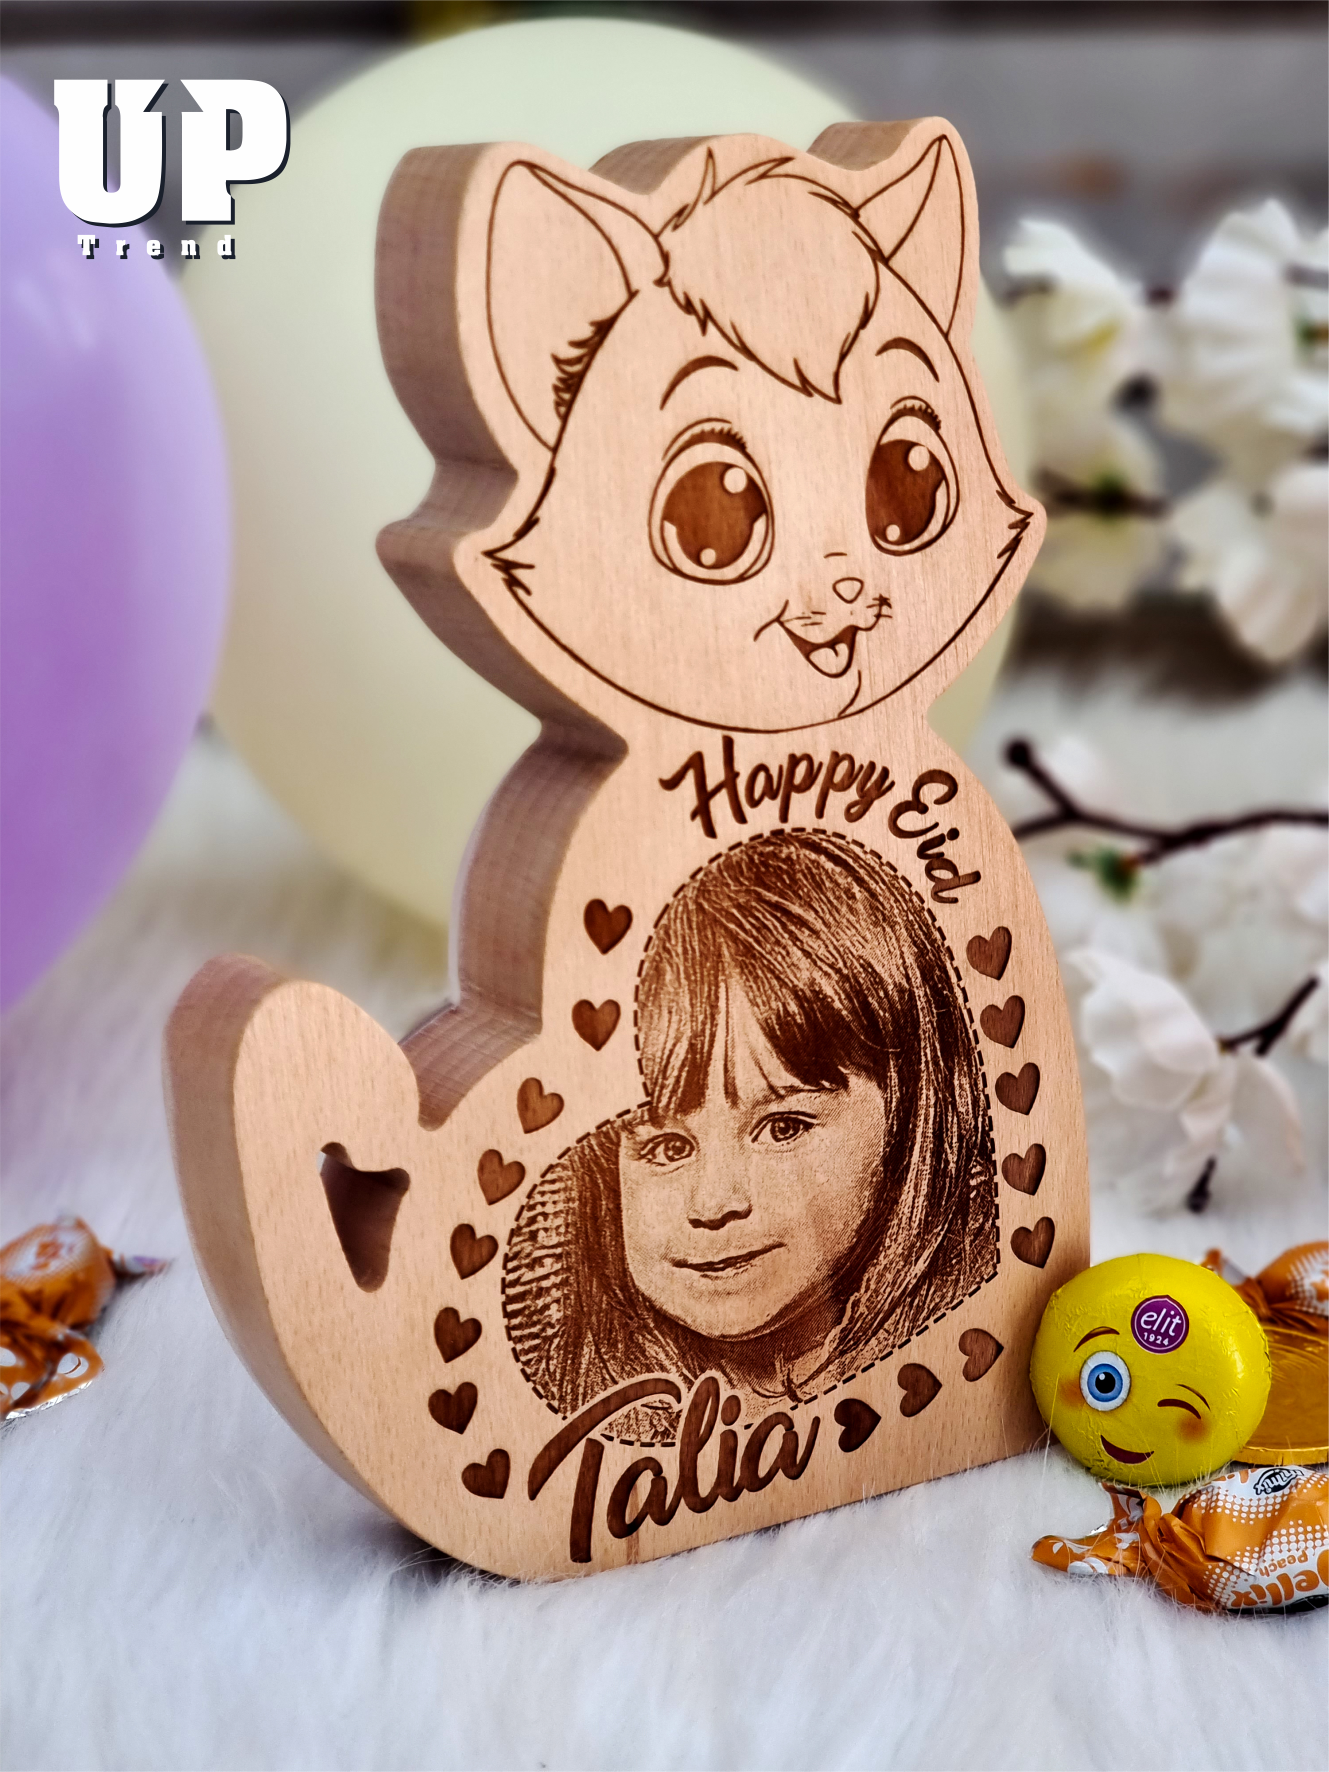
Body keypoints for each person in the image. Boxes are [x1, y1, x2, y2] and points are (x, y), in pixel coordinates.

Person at [503, 829, 996, 1442]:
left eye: (783, 1127)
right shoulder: (583, 1403)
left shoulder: (972, 1330)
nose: (714, 1204)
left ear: (914, 1112)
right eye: (668, 1148)